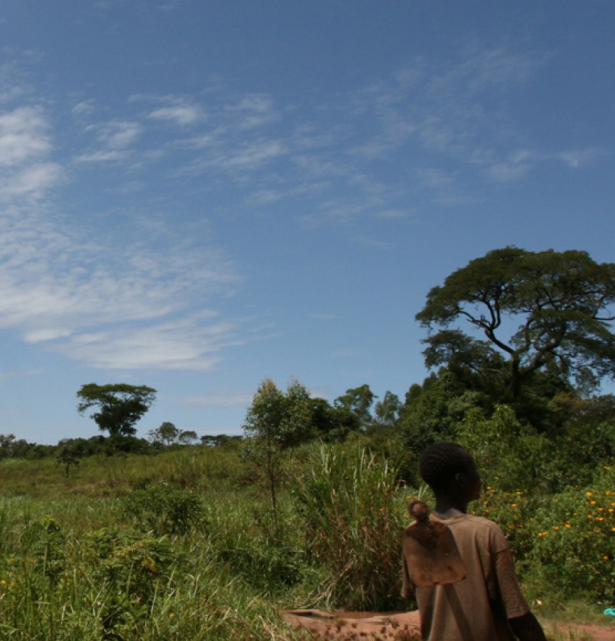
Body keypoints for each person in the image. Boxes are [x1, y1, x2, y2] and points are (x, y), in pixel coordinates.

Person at [402, 442, 547, 641]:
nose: (479, 477)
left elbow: (415, 594)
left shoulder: (414, 534)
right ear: (460, 480)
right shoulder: (485, 532)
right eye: (474, 471)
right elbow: (516, 615)